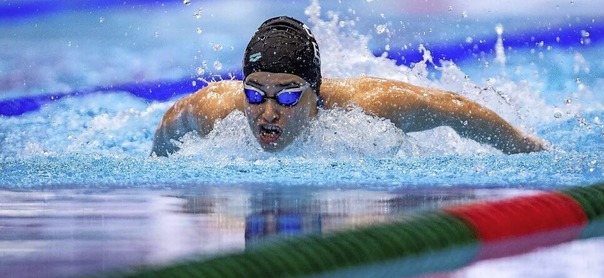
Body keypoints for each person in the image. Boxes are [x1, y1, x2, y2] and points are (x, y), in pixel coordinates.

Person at [151, 16, 546, 157]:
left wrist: (533, 152)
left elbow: (455, 109)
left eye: (288, 95)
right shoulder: (217, 109)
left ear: (314, 93)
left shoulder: (368, 107)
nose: (267, 112)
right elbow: (173, 120)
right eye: (255, 93)